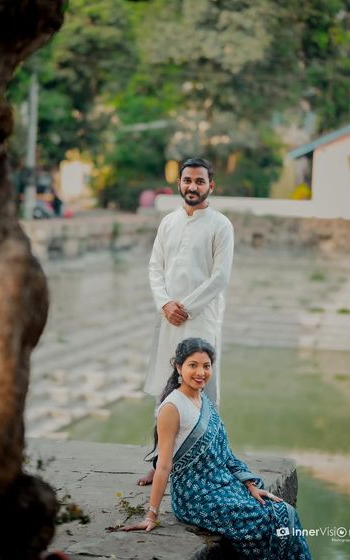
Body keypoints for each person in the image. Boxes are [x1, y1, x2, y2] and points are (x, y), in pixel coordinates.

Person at [124, 338, 312, 559]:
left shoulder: (204, 401)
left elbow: (225, 454)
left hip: (221, 483)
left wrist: (250, 484)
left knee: (284, 511)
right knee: (268, 519)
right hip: (194, 496)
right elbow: (164, 466)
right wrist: (151, 515)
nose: (201, 372)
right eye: (193, 365)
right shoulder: (172, 407)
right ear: (178, 367)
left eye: (206, 366)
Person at [139, 157, 234, 485]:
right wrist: (165, 303)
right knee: (165, 390)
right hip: (168, 319)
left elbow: (220, 278)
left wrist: (186, 307)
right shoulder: (168, 222)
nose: (192, 186)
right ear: (179, 183)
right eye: (187, 180)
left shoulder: (221, 225)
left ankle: (206, 466)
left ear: (211, 186)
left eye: (199, 181)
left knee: (203, 388)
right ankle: (158, 461)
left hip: (201, 320)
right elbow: (155, 268)